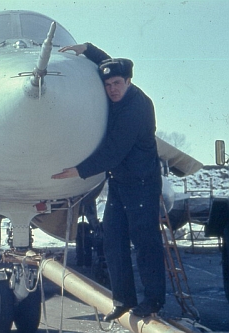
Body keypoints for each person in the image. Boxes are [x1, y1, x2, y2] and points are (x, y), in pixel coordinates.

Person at [52, 43, 165, 321]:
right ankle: (123, 299)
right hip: (120, 183)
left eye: (117, 83)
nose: (112, 89)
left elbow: (114, 151)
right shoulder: (118, 92)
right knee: (113, 241)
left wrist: (78, 171)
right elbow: (107, 62)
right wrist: (88, 49)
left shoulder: (136, 108)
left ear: (128, 82)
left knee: (145, 243)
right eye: (108, 84)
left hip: (142, 184)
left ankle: (152, 301)